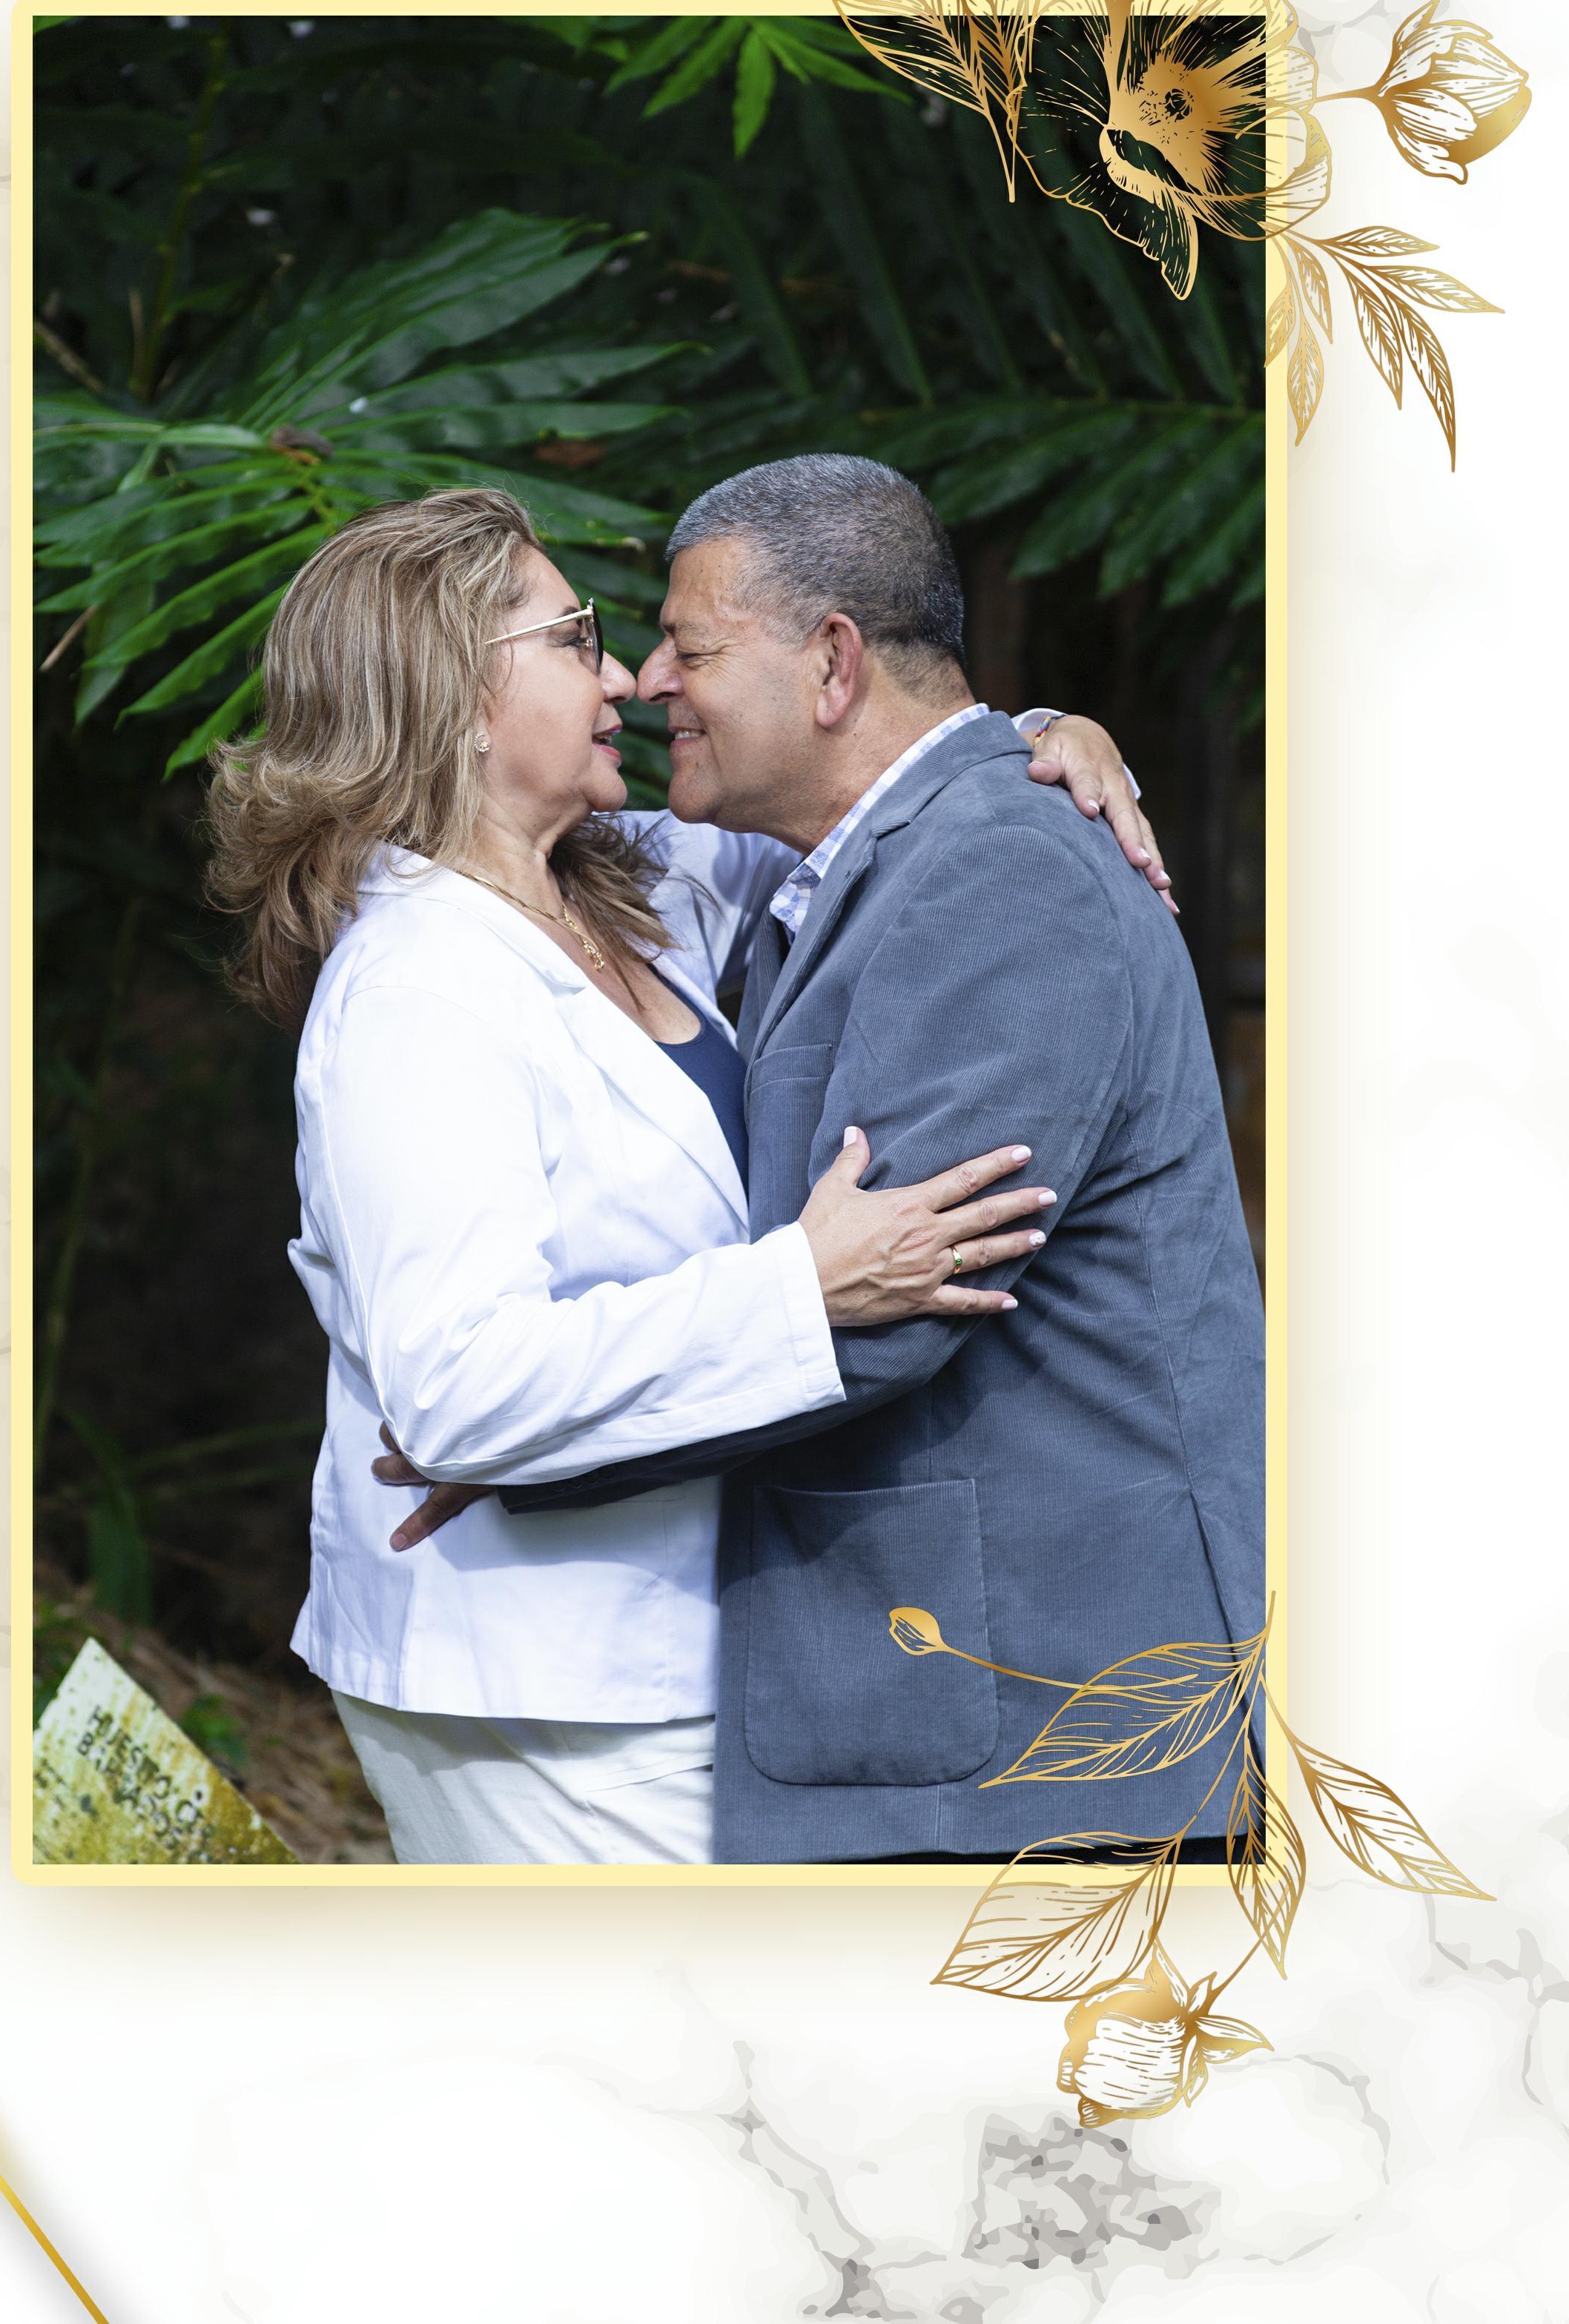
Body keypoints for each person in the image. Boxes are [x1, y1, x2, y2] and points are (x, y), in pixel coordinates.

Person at [203, 482, 1163, 1864]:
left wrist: (1033, 736)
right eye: (574, 640)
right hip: (527, 1680)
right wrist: (804, 1291)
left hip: (665, 1646)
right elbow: (461, 1391)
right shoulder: (416, 992)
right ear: (454, 696)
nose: (627, 679)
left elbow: (863, 788)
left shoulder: (632, 880)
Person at [483, 455, 1265, 1864]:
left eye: (689, 648)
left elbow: (895, 1305)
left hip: (1051, 1744)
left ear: (833, 665)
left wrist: (523, 1437)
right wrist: (1044, 724)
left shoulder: (1003, 873)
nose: (650, 681)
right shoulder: (877, 856)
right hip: (973, 1732)